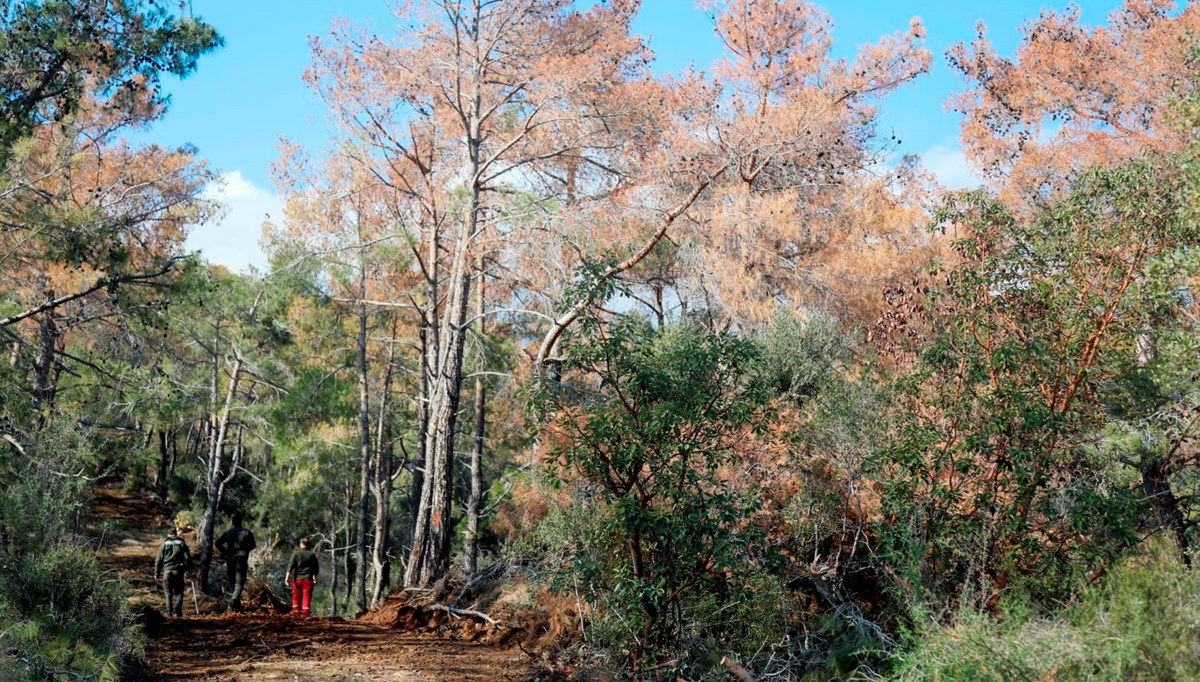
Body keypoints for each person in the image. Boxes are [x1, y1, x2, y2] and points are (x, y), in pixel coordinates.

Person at [214, 511, 256, 611]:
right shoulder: (247, 532)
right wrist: (246, 550)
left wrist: (225, 552)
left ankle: (237, 607)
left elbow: (217, 543)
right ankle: (235, 599)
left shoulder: (228, 533)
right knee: (240, 583)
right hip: (241, 560)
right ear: (241, 522)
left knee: (232, 581)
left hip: (230, 560)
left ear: (232, 523)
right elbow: (253, 545)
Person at [154, 527, 193, 618]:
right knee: (179, 592)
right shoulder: (181, 543)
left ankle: (169, 612)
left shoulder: (164, 544)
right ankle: (178, 610)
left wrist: (157, 573)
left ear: (168, 535)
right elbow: (187, 558)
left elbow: (158, 560)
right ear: (176, 534)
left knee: (168, 593)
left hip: (167, 572)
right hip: (178, 572)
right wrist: (190, 569)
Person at [285, 538, 320, 616]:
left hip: (297, 579)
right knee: (307, 596)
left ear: (300, 544)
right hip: (308, 579)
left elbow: (290, 566)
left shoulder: (296, 554)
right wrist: (315, 578)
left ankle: (296, 612)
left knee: (296, 595)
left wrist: (287, 578)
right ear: (308, 545)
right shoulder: (311, 554)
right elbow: (316, 568)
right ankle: (305, 614)